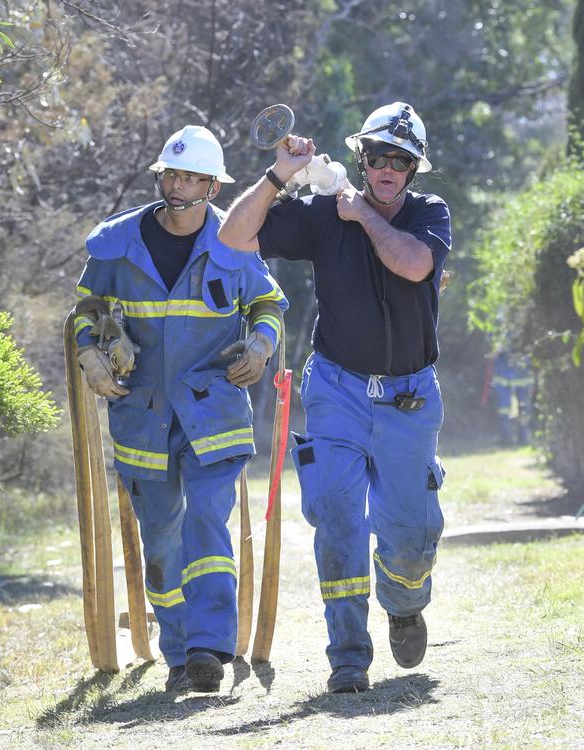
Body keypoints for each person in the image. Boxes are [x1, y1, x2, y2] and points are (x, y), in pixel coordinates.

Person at [219, 102, 451, 693]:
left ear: (413, 169)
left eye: (401, 160)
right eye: (378, 157)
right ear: (363, 159)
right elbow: (233, 235)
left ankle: (403, 603)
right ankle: (348, 654)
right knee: (337, 518)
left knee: (409, 533)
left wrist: (362, 217)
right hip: (337, 389)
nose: (388, 168)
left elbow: (414, 265)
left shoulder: (429, 214)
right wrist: (279, 175)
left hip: (409, 397)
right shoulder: (321, 213)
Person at [73, 125, 288, 693]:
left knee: (206, 521)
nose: (179, 185)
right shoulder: (116, 244)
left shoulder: (236, 242)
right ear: (160, 177)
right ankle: (177, 652)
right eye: (172, 173)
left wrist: (263, 345)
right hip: (141, 413)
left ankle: (208, 648)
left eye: (193, 177)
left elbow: (267, 302)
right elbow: (86, 308)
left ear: (213, 188)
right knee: (162, 539)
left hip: (213, 412)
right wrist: (89, 353)